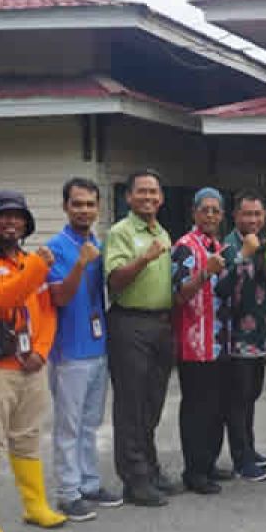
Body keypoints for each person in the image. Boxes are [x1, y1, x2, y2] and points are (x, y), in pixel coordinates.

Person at [0, 190, 66, 532]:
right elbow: (0, 298)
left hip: (31, 365)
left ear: (26, 224)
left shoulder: (30, 260)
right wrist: (38, 266)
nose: (10, 222)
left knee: (27, 436)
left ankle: (34, 506)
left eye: (17, 216)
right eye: (2, 216)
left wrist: (41, 350)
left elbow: (48, 310)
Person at [46, 178, 122, 522]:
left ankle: (89, 482)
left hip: (97, 346)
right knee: (69, 426)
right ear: (65, 206)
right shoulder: (56, 246)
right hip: (69, 351)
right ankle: (67, 491)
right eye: (77, 204)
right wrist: (79, 263)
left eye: (90, 204)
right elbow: (59, 296)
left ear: (99, 208)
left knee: (91, 423)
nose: (84, 210)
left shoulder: (97, 242)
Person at [104, 169, 180, 507]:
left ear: (161, 199)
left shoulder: (161, 231)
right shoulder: (121, 232)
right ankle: (134, 480)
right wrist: (144, 258)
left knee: (152, 402)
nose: (149, 198)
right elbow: (116, 281)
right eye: (142, 192)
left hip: (161, 324)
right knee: (131, 404)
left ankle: (149, 468)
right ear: (129, 197)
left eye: (154, 192)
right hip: (130, 323)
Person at [171, 188, 238, 494]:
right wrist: (204, 273)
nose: (211, 215)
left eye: (216, 210)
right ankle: (194, 471)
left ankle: (209, 462)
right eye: (205, 210)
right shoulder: (185, 247)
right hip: (195, 342)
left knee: (218, 407)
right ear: (194, 213)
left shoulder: (220, 247)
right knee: (197, 408)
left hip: (220, 341)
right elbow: (179, 293)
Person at [219, 190, 266, 477]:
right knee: (238, 398)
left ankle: (250, 448)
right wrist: (243, 255)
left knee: (252, 393)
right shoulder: (227, 246)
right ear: (235, 216)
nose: (253, 219)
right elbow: (222, 287)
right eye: (247, 214)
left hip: (261, 332)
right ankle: (241, 460)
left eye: (258, 214)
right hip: (235, 334)